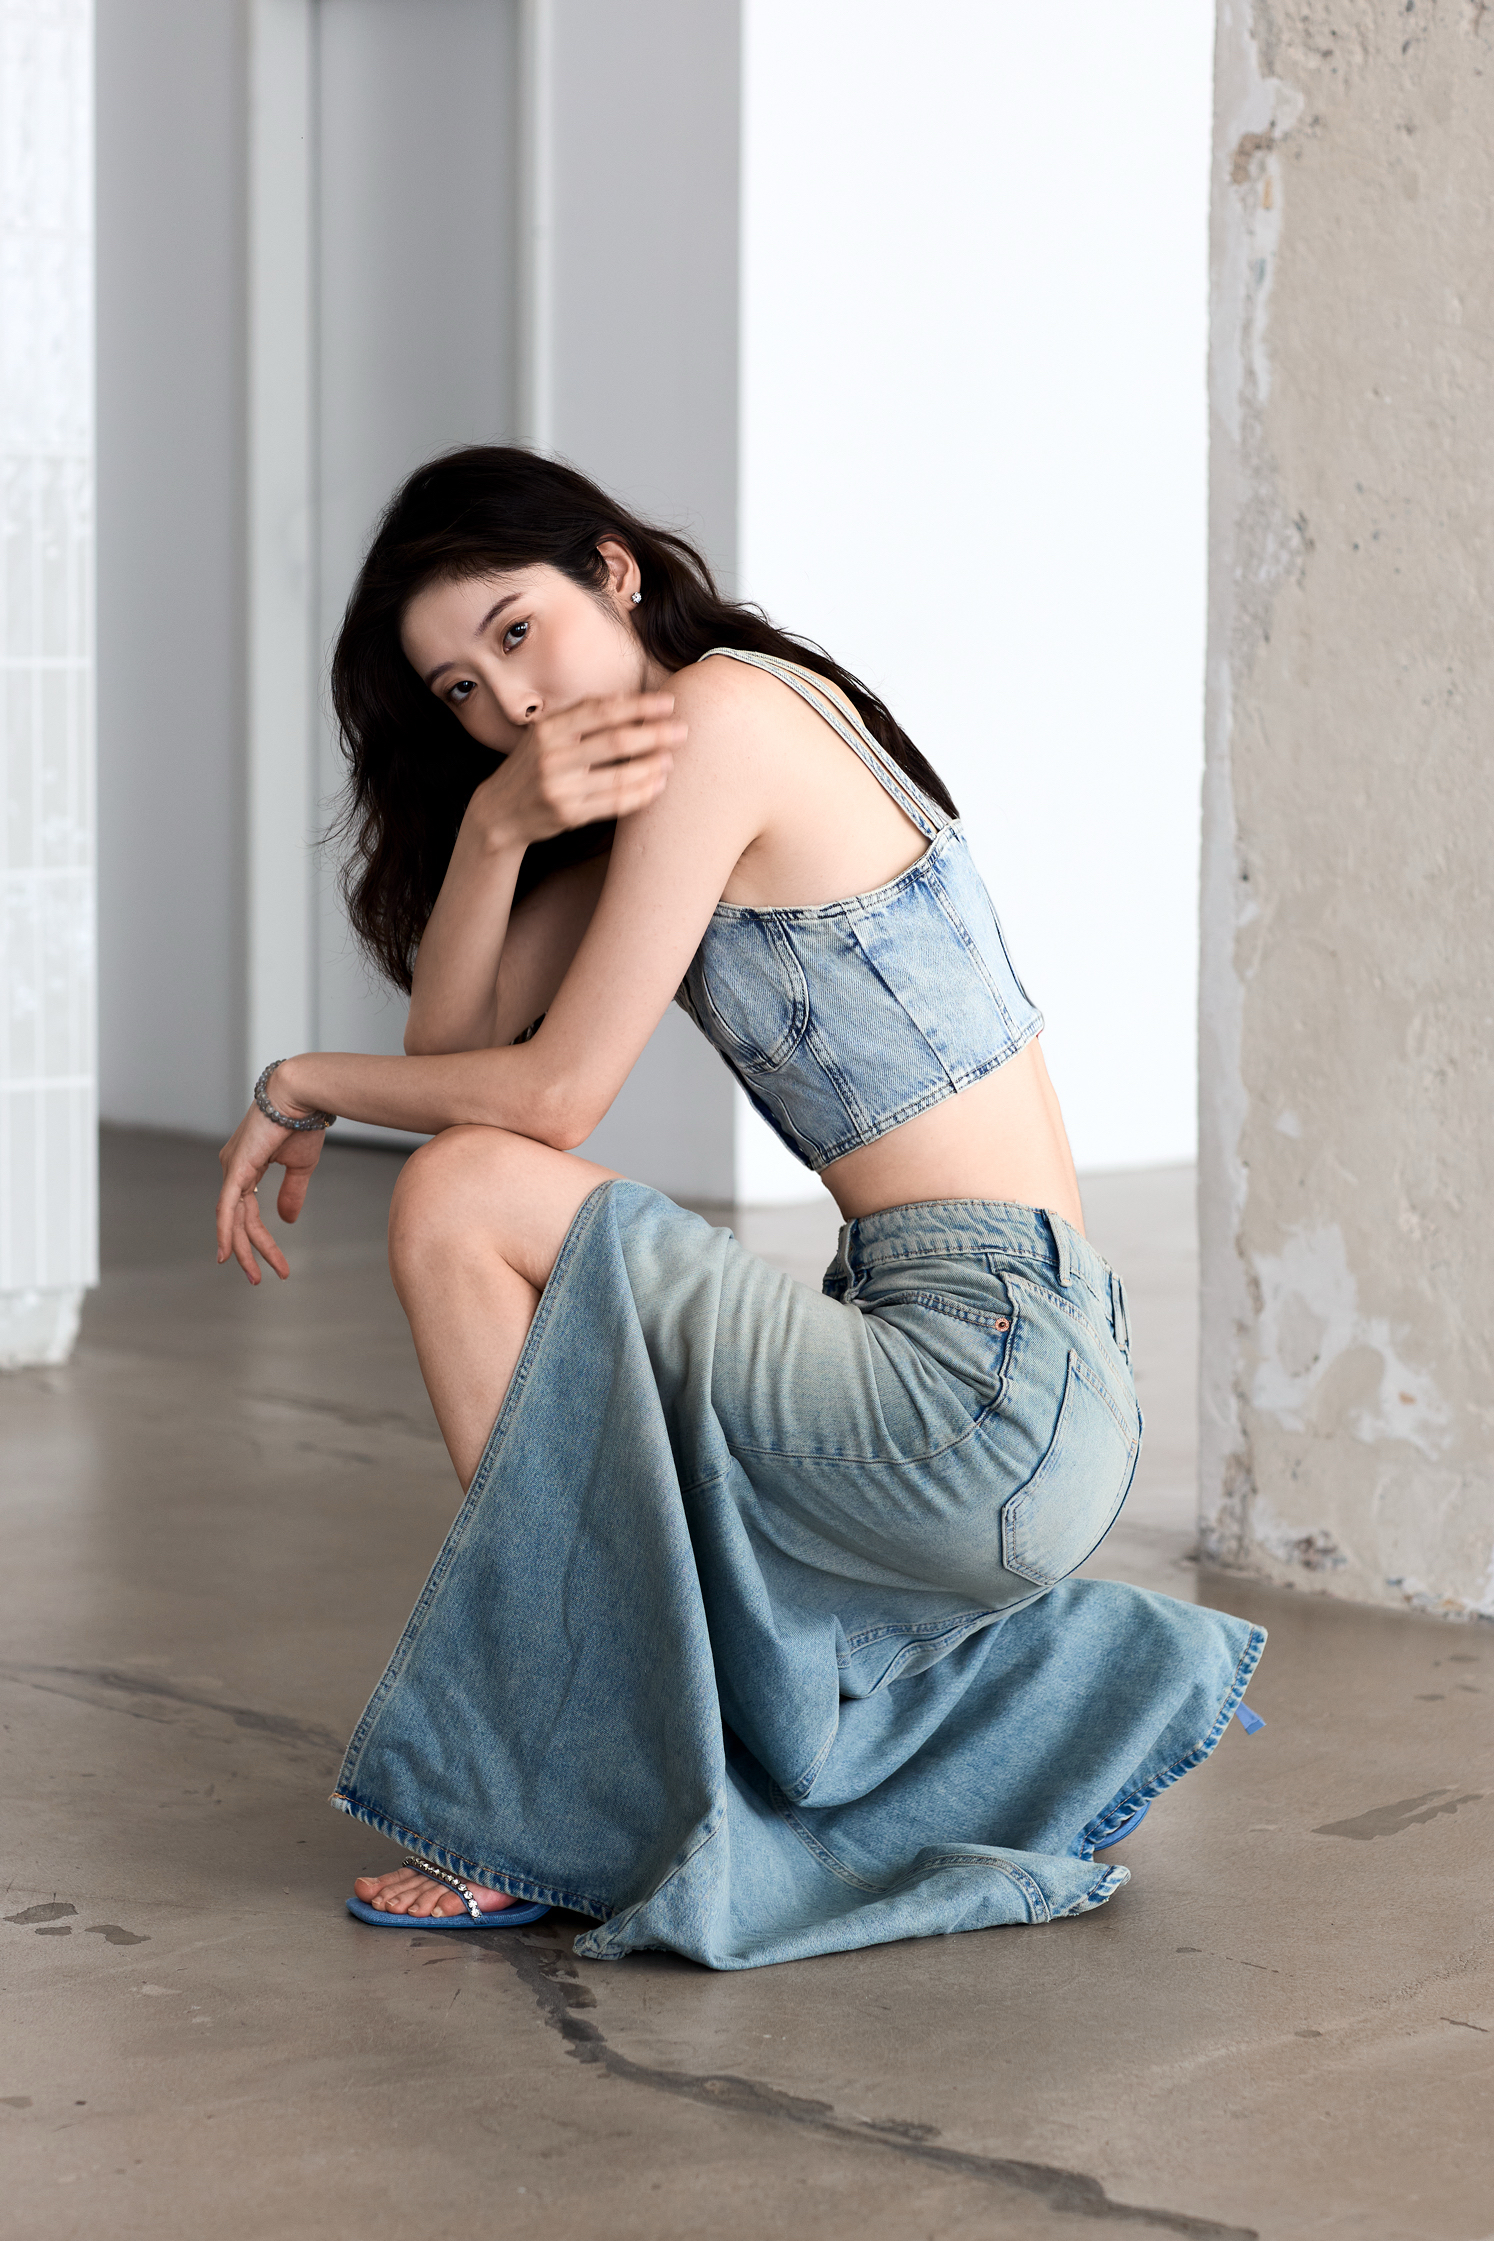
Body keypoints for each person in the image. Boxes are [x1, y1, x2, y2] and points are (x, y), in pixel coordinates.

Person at [216, 447, 1264, 1970]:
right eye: (461, 691)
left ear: (614, 569)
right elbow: (453, 1058)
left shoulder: (725, 718)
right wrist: (498, 829)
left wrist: (301, 1079)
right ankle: (983, 1700)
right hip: (1015, 1373)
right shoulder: (672, 765)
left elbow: (541, 1101)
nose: (511, 703)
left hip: (979, 1376)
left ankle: (566, 1801)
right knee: (464, 1184)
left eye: (519, 630)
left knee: (460, 1192)